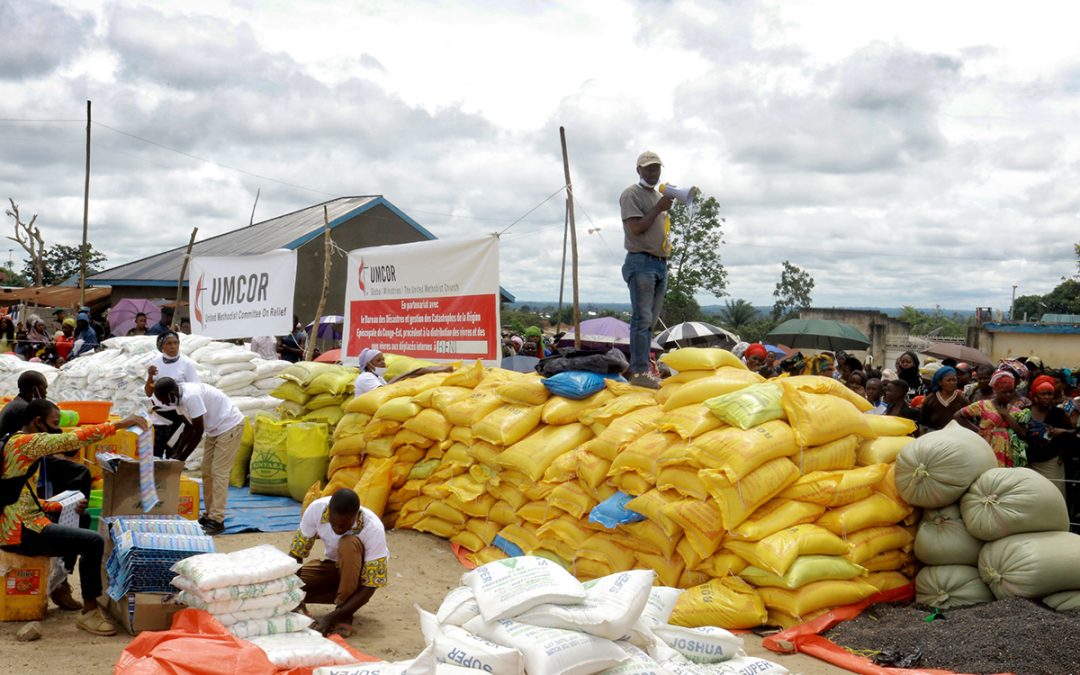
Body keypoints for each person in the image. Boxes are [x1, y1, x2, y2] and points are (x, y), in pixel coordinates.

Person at [1, 398, 148, 635]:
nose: (58, 428)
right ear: (38, 423)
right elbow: (73, 438)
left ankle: (60, 584)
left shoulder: (13, 443)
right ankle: (89, 613)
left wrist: (57, 505)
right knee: (93, 541)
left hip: (20, 521)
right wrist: (120, 425)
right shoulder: (27, 443)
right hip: (22, 531)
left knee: (80, 516)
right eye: (54, 423)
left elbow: (18, 495)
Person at [289, 488, 388, 636]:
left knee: (348, 543)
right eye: (334, 523)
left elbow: (371, 585)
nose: (338, 529)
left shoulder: (373, 528)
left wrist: (332, 618)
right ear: (328, 512)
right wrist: (294, 595)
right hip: (334, 568)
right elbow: (296, 553)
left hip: (359, 580)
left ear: (355, 516)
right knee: (287, 589)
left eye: (344, 525)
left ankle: (343, 612)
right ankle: (344, 604)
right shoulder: (316, 510)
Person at [153, 378, 245, 536]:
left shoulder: (191, 397)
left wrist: (181, 458)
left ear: (171, 393)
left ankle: (217, 520)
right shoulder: (178, 399)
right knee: (206, 471)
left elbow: (198, 431)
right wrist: (176, 453)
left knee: (219, 472)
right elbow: (188, 427)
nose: (164, 403)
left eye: (164, 399)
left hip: (229, 425)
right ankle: (209, 515)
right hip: (215, 430)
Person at [619, 151, 674, 390]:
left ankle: (645, 368)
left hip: (659, 263)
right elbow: (635, 228)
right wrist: (659, 208)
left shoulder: (657, 195)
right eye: (648, 169)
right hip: (641, 261)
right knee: (642, 320)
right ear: (639, 170)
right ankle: (640, 371)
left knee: (649, 322)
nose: (653, 173)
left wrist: (662, 205)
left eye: (656, 168)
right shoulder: (632, 194)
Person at [955, 370, 1028, 467]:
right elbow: (958, 416)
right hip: (985, 448)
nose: (1008, 395)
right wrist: (977, 431)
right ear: (995, 390)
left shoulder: (1016, 411)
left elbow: (1023, 433)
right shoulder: (983, 405)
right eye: (1004, 392)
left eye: (1011, 391)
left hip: (1008, 453)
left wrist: (1006, 415)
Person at [145, 331, 200, 457]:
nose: (173, 346)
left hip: (178, 417)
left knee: (173, 452)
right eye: (169, 343)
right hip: (159, 416)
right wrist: (149, 377)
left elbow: (195, 389)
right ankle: (156, 476)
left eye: (176, 343)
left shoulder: (186, 364)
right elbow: (148, 393)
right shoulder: (155, 363)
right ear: (161, 346)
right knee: (155, 454)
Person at [1025, 374, 1077, 498]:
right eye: (1043, 394)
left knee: (1053, 495)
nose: (1047, 397)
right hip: (1028, 462)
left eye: (1050, 394)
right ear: (1035, 396)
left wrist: (1062, 431)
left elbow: (1074, 432)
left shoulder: (1058, 413)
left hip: (1050, 462)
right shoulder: (1025, 412)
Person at [920, 366, 970, 433]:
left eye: (954, 380)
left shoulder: (963, 400)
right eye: (948, 380)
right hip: (933, 435)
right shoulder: (930, 399)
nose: (952, 383)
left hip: (955, 435)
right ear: (940, 382)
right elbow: (923, 423)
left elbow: (968, 422)